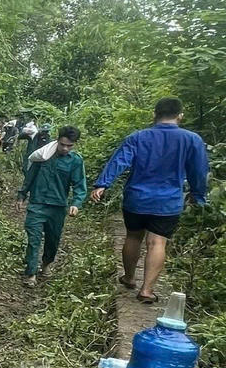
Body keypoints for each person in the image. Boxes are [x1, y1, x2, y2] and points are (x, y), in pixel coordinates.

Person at [90, 98, 210, 303]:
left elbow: (119, 161)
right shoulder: (192, 139)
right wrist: (198, 195)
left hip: (137, 199)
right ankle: (146, 290)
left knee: (133, 237)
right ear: (180, 115)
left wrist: (103, 184)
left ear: (154, 115)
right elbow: (198, 171)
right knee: (157, 242)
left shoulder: (138, 137)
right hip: (168, 202)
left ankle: (129, 278)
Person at [19, 126, 86, 285]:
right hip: (37, 204)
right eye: (62, 144)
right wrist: (21, 195)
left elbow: (79, 184)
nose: (65, 148)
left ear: (74, 144)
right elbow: (30, 176)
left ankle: (46, 264)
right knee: (34, 239)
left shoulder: (75, 161)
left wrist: (76, 203)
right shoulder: (44, 155)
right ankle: (31, 273)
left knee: (52, 239)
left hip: (57, 207)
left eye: (69, 146)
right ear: (57, 140)